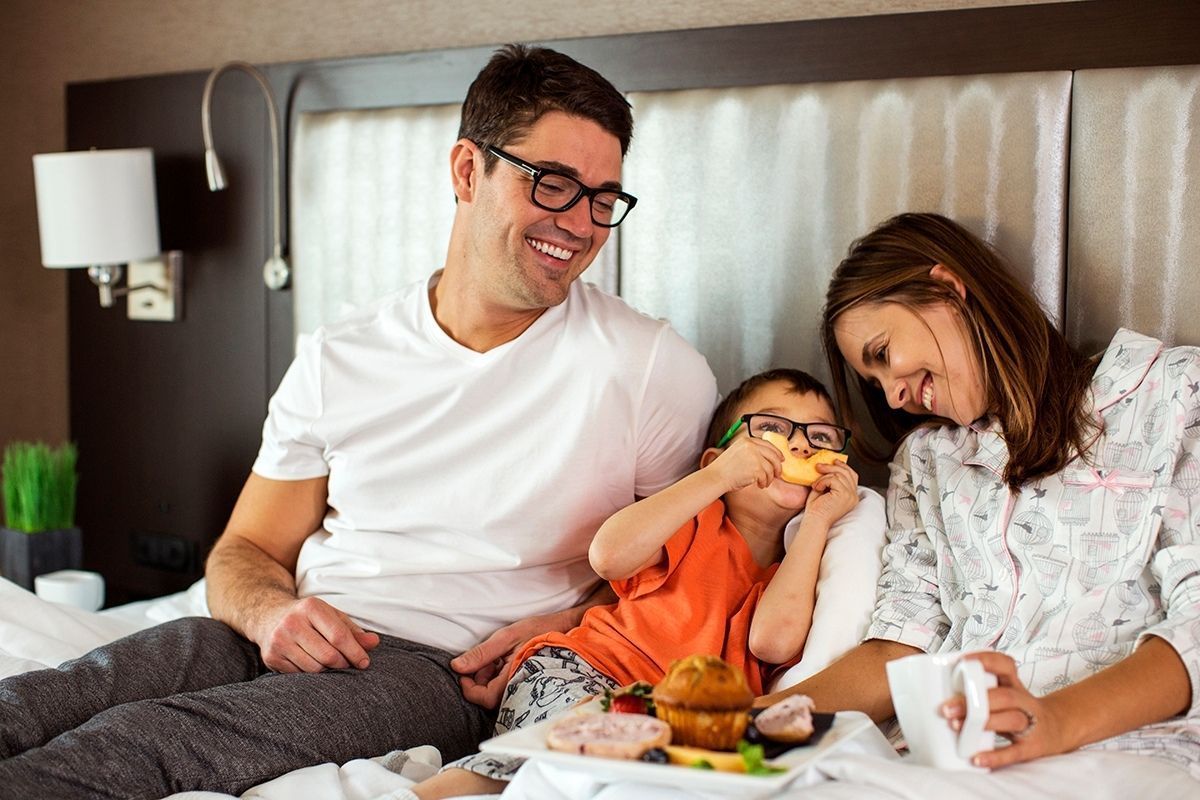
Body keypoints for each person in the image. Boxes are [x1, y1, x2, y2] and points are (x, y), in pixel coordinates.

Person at [0, 44, 718, 798]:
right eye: (555, 185)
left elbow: (691, 581)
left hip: (432, 670)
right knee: (52, 696)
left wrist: (564, 630)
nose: (581, 224)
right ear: (468, 170)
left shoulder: (650, 370)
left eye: (604, 198)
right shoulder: (342, 353)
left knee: (140, 745)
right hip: (279, 634)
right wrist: (272, 613)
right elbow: (245, 548)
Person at [759, 212, 1199, 790]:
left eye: (883, 353)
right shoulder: (925, 462)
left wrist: (1056, 722)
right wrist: (741, 723)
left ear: (947, 287)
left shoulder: (1171, 394)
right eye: (873, 384)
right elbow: (900, 643)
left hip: (1124, 750)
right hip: (940, 761)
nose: (893, 394)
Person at [411, 368, 865, 798]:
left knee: (622, 780)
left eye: (820, 436)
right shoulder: (696, 518)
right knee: (564, 756)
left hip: (669, 718)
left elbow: (773, 643)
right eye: (771, 429)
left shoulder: (800, 568)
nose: (799, 446)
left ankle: (411, 769)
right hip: (582, 673)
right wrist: (716, 478)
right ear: (718, 457)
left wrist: (818, 522)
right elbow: (608, 556)